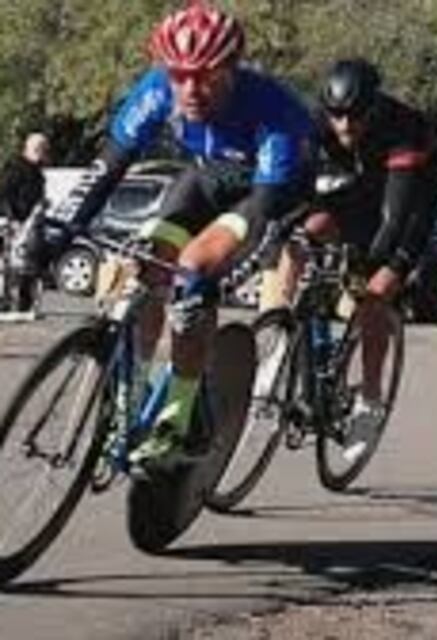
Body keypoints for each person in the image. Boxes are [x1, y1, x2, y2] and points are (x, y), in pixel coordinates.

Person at [34, 1, 315, 468]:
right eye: (178, 74)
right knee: (147, 257)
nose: (190, 88)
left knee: (194, 269)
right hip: (211, 175)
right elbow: (108, 166)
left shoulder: (273, 110)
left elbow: (264, 207)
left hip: (274, 187)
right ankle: (133, 389)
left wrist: (230, 263)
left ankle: (176, 417)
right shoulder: (158, 90)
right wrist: (60, 232)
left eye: (205, 75)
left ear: (231, 68)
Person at [266, 58, 437, 462]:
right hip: (361, 192)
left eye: (354, 116)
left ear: (373, 107)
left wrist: (372, 267)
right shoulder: (319, 120)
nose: (344, 125)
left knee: (374, 295)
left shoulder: (403, 127)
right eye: (337, 115)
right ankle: (279, 342)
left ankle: (370, 400)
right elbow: (296, 188)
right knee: (301, 233)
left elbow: (394, 219)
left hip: (409, 207)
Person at [0, 132, 50, 316]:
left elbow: (35, 195)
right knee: (12, 264)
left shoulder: (38, 171)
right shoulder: (15, 167)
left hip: (31, 223)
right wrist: (11, 220)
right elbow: (4, 195)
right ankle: (6, 304)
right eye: (40, 148)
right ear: (29, 148)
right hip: (14, 223)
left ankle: (25, 305)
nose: (42, 152)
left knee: (29, 264)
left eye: (44, 149)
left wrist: (43, 204)